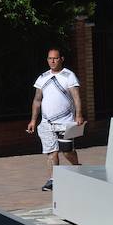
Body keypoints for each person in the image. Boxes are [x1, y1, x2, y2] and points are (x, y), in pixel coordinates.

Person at [27, 47, 85, 191]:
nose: (52, 61)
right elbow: (37, 100)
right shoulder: (42, 77)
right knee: (51, 152)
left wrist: (78, 115)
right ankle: (53, 179)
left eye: (55, 58)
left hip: (66, 121)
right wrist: (33, 120)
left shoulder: (68, 76)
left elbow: (76, 97)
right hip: (47, 122)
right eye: (50, 58)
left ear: (61, 59)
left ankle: (77, 168)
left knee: (67, 151)